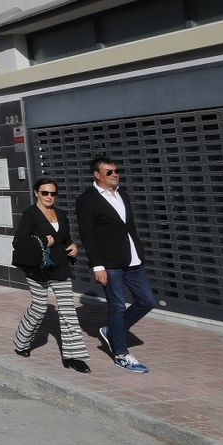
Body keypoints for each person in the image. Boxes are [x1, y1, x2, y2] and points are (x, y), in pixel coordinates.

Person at [76, 156, 155, 374]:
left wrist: (138, 251)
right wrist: (97, 265)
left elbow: (128, 228)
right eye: (109, 172)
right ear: (97, 174)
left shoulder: (123, 195)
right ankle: (121, 354)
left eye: (116, 170)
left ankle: (111, 330)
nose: (115, 174)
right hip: (109, 263)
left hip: (132, 259)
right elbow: (88, 235)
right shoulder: (87, 200)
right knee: (118, 306)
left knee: (147, 301)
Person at [12, 179, 91, 373]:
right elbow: (18, 242)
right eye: (45, 193)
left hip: (60, 268)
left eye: (53, 194)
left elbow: (65, 238)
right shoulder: (30, 215)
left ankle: (73, 357)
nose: (49, 197)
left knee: (68, 312)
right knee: (39, 308)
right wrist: (41, 241)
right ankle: (21, 342)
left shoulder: (61, 214)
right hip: (38, 269)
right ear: (36, 193)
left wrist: (72, 246)